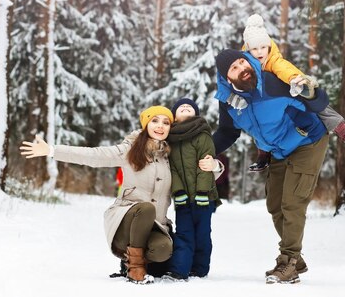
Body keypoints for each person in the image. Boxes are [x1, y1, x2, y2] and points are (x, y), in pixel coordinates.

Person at [20, 105, 207, 284]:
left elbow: (194, 171)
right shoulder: (130, 149)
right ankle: (135, 268)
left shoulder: (169, 156)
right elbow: (94, 156)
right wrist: (52, 150)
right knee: (146, 208)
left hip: (155, 226)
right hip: (126, 221)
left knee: (163, 251)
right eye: (155, 120)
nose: (160, 126)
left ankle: (133, 260)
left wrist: (215, 167)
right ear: (145, 124)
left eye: (166, 122)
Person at [212, 48, 330, 284]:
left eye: (242, 62)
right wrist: (203, 152)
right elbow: (227, 132)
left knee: (292, 202)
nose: (242, 69)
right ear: (226, 78)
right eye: (234, 68)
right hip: (278, 149)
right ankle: (295, 256)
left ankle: (289, 261)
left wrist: (312, 91)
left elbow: (319, 102)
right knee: (275, 204)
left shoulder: (273, 82)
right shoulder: (229, 103)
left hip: (308, 141)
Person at [216, 14, 345, 172]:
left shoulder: (275, 62)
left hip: (294, 93)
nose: (259, 52)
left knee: (321, 108)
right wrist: (231, 97)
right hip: (261, 111)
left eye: (263, 47)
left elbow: (288, 71)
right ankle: (263, 155)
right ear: (247, 50)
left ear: (269, 47)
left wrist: (297, 82)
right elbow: (224, 84)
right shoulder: (243, 64)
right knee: (255, 118)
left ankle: (344, 132)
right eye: (254, 49)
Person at [163, 98, 222, 281]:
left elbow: (204, 166)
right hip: (183, 200)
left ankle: (199, 268)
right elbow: (171, 168)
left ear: (196, 114)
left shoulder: (202, 135)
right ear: (174, 116)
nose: (186, 107)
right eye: (181, 107)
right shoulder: (170, 139)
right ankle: (179, 270)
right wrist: (178, 192)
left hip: (205, 197)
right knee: (184, 233)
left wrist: (203, 193)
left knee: (202, 234)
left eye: (190, 107)